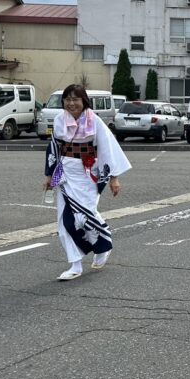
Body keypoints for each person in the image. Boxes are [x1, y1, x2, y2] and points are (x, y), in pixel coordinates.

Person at [43, 84, 131, 281]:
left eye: (76, 99)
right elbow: (53, 149)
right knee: (65, 222)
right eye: (68, 99)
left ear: (83, 101)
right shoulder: (59, 120)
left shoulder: (95, 121)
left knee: (85, 217)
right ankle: (75, 265)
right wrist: (49, 176)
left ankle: (103, 245)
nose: (71, 103)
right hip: (65, 173)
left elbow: (108, 149)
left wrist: (114, 178)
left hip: (88, 174)